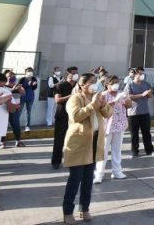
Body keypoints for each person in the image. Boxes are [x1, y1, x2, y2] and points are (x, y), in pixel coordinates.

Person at [61, 73, 112, 224]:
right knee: (75, 179)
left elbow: (108, 113)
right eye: (91, 82)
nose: (94, 84)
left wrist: (102, 105)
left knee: (88, 180)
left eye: (95, 81)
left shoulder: (97, 96)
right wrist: (92, 105)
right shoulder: (75, 98)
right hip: (79, 143)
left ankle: (84, 209)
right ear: (83, 85)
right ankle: (67, 212)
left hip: (94, 143)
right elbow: (76, 116)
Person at [95, 76, 132, 183]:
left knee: (117, 150)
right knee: (104, 151)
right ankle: (99, 174)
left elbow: (128, 106)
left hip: (119, 124)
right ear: (107, 84)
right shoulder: (103, 95)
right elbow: (101, 108)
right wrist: (115, 101)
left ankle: (117, 171)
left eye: (117, 82)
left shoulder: (121, 93)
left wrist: (127, 98)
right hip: (107, 126)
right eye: (113, 83)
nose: (116, 85)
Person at [124, 67, 154, 157]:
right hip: (133, 112)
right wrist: (141, 95)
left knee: (146, 132)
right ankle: (134, 151)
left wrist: (149, 93)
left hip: (145, 112)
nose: (142, 75)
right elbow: (129, 96)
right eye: (140, 73)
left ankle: (149, 150)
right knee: (134, 134)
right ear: (135, 75)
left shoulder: (146, 84)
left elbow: (150, 96)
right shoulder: (129, 84)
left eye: (143, 73)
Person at [52, 67, 78, 169]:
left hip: (75, 116)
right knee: (59, 140)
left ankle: (71, 160)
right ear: (68, 74)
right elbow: (57, 100)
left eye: (77, 73)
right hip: (62, 115)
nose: (75, 74)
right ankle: (56, 162)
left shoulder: (78, 85)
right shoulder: (60, 85)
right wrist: (70, 96)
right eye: (73, 73)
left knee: (74, 140)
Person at [5, 70, 26, 148]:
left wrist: (19, 88)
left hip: (15, 109)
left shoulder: (17, 85)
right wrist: (12, 89)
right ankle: (2, 142)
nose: (12, 78)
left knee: (16, 125)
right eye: (10, 76)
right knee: (3, 126)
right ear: (6, 77)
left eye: (13, 76)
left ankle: (18, 141)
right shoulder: (3, 86)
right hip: (4, 109)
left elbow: (23, 93)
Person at [18, 67, 38, 132]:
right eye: (28, 71)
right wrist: (28, 84)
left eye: (31, 71)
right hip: (22, 97)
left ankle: (27, 126)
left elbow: (34, 88)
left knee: (28, 112)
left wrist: (32, 85)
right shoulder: (22, 79)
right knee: (19, 111)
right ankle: (16, 125)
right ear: (25, 72)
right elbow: (19, 87)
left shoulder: (34, 78)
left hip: (30, 97)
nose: (30, 72)